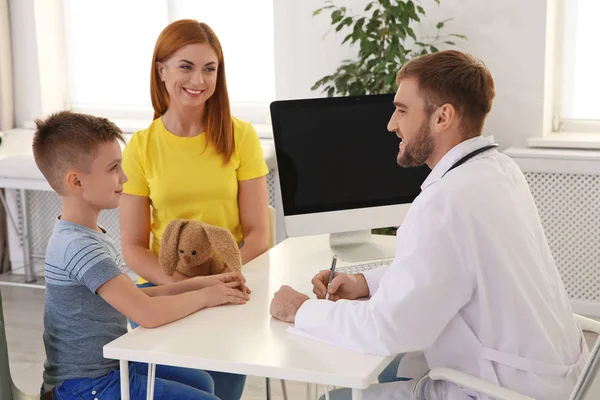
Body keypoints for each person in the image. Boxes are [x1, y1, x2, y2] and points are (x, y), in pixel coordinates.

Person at [269, 50, 588, 400]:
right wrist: (365, 283)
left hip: (500, 391)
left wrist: (302, 310)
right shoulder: (499, 171)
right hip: (560, 382)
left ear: (443, 117)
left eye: (402, 110)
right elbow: (443, 270)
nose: (391, 124)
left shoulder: (445, 201)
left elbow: (389, 329)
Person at [33, 111, 251, 399]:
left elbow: (136, 299)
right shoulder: (79, 247)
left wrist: (206, 284)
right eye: (113, 168)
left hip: (109, 367)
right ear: (76, 182)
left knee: (204, 383)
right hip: (86, 386)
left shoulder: (88, 234)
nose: (124, 177)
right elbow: (146, 314)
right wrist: (208, 297)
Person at [120, 20, 270, 399]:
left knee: (221, 392)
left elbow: (258, 233)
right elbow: (134, 247)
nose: (198, 80)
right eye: (186, 66)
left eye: (210, 68)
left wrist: (223, 281)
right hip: (165, 289)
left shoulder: (241, 136)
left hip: (232, 283)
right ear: (161, 70)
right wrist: (186, 288)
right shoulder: (140, 147)